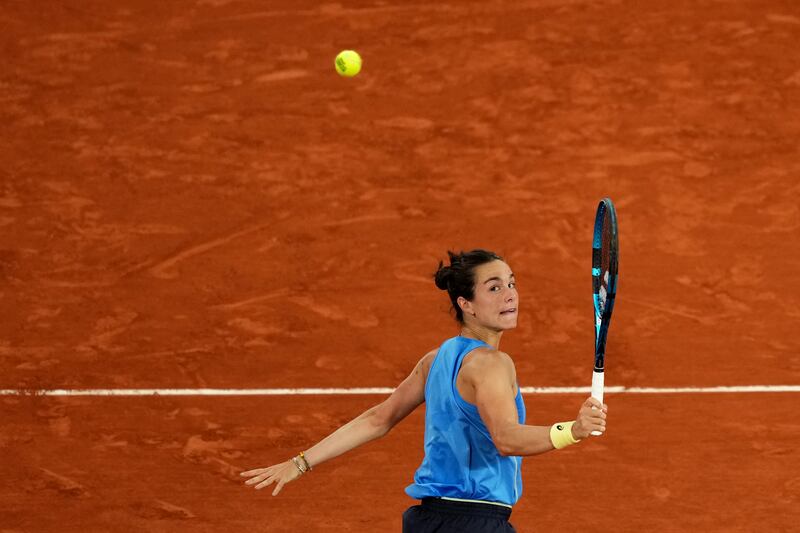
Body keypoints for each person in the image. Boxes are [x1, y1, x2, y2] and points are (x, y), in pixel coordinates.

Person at [241, 249, 608, 532]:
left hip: (426, 521)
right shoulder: (493, 364)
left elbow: (377, 419)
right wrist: (571, 431)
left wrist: (300, 463)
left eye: (511, 283)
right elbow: (507, 439)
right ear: (466, 305)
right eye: (493, 288)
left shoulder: (436, 360)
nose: (509, 295)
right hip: (474, 521)